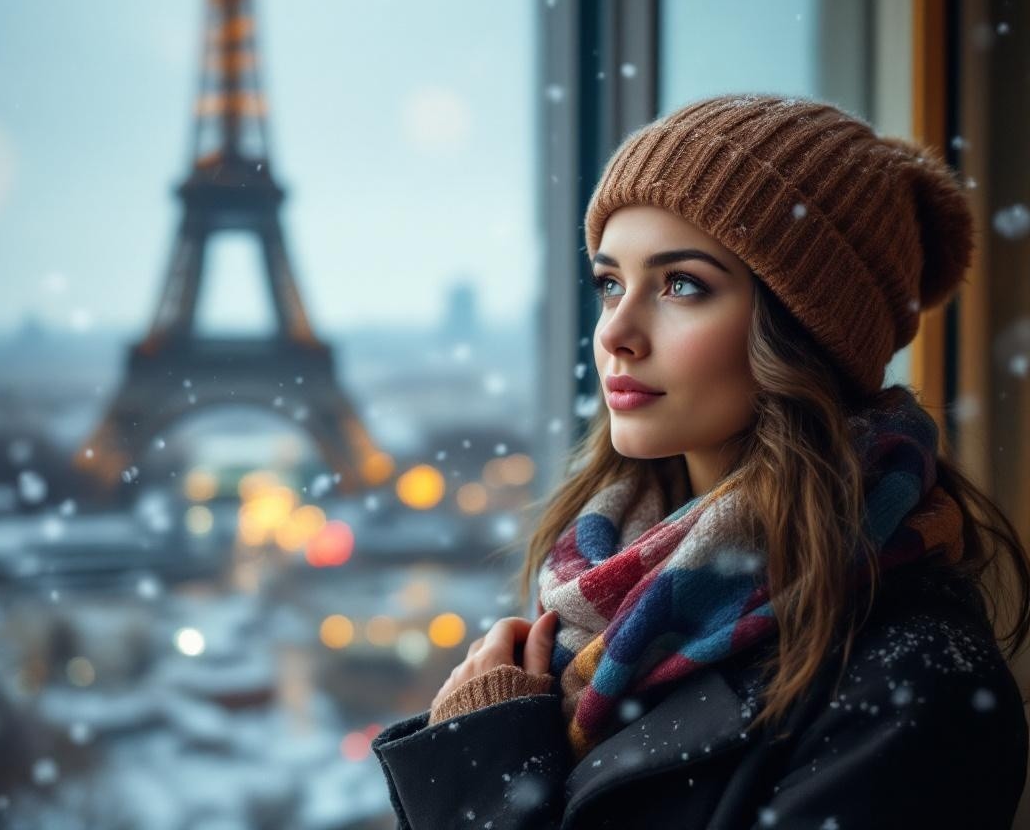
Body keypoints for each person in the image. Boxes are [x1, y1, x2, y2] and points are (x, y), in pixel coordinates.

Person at [372, 95, 1030, 829]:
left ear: (803, 331)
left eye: (682, 284)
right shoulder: (599, 583)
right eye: (609, 283)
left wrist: (482, 785)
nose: (616, 331)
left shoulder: (911, 684)